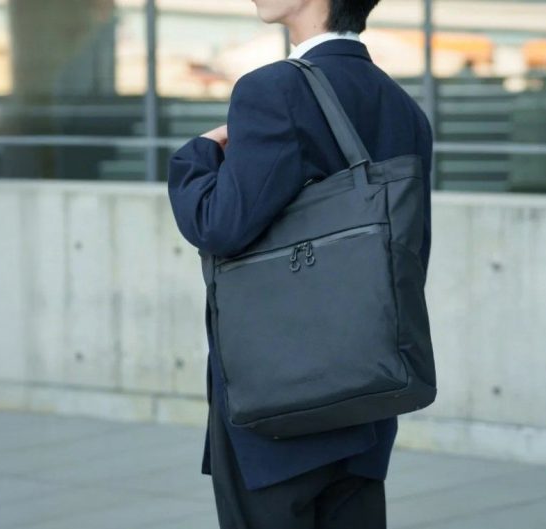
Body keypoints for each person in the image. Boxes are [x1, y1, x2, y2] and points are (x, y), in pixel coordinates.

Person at [166, 0, 433, 527]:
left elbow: (218, 225)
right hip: (369, 391)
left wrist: (197, 156)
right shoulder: (403, 107)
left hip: (280, 403)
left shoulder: (273, 90)